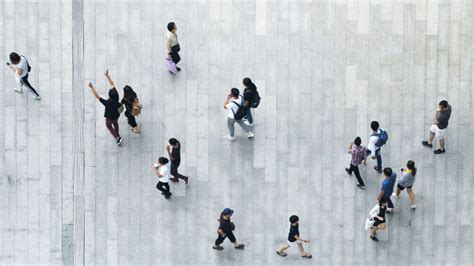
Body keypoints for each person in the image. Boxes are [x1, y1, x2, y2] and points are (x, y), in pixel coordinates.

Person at [87, 70, 123, 145]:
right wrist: (107, 76)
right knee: (116, 124)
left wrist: (92, 87)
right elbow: (112, 84)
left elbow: (97, 96)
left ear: (109, 96)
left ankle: (117, 137)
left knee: (108, 126)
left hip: (109, 118)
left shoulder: (107, 103)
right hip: (116, 116)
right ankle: (118, 135)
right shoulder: (117, 96)